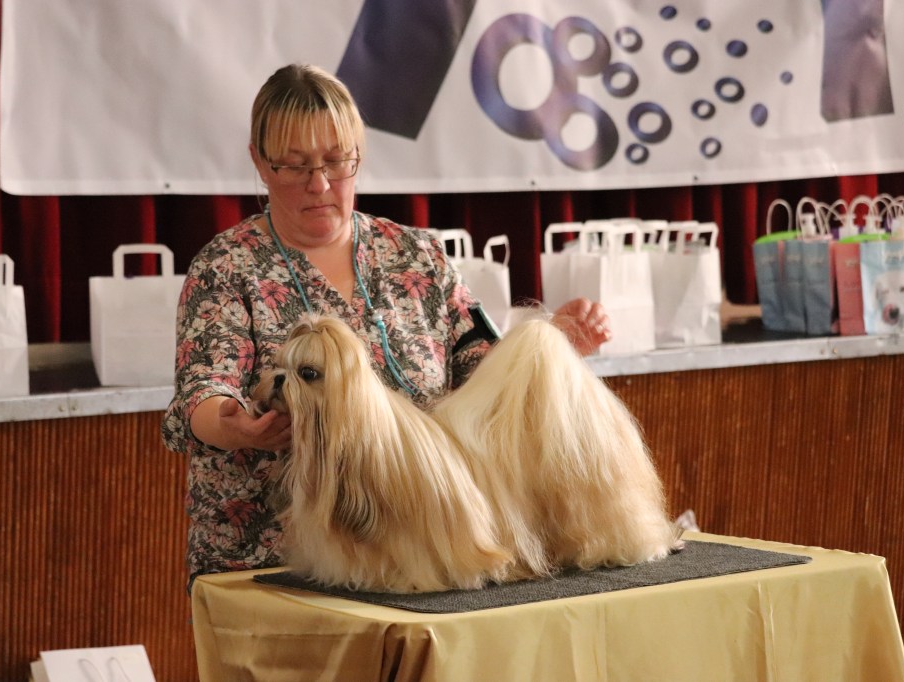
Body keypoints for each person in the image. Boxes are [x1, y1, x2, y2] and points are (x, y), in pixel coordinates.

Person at [161, 63, 611, 589]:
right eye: (294, 165)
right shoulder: (225, 268)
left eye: (337, 161)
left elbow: (485, 374)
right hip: (269, 562)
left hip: (421, 560)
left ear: (360, 155)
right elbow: (203, 391)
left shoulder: (417, 255)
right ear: (259, 162)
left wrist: (549, 348)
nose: (319, 184)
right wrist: (234, 426)